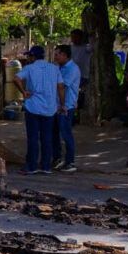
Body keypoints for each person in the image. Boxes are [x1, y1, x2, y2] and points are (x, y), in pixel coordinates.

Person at [14, 45, 64, 175]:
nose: (28, 58)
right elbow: (60, 87)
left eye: (29, 56)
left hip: (33, 107)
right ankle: (46, 166)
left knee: (33, 137)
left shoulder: (29, 68)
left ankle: (32, 166)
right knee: (47, 137)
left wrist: (23, 92)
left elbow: (16, 78)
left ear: (33, 57)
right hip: (49, 108)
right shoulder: (54, 68)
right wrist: (62, 104)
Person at [51, 44, 80, 172]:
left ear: (64, 55)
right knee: (54, 133)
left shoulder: (72, 69)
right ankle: (57, 159)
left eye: (57, 54)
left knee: (66, 134)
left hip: (66, 107)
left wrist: (62, 105)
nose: (55, 57)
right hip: (57, 106)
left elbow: (62, 86)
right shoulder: (60, 68)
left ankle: (70, 162)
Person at [70, 30, 92, 119]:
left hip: (83, 76)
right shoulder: (70, 48)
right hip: (71, 76)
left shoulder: (86, 48)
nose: (73, 39)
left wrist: (91, 36)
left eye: (76, 36)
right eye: (72, 37)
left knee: (80, 95)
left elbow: (93, 45)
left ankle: (77, 114)